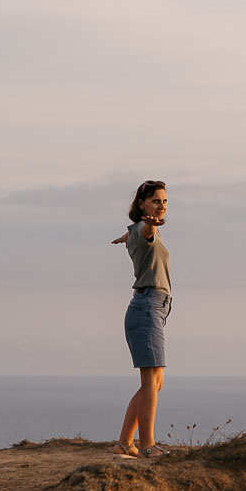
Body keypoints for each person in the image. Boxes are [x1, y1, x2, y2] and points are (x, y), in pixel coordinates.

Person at [111, 179, 171, 459]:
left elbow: (136, 233)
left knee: (156, 382)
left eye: (165, 201)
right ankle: (147, 445)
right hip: (147, 307)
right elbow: (145, 231)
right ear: (142, 204)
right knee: (150, 381)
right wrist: (148, 226)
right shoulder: (146, 229)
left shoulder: (136, 231)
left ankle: (125, 442)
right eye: (156, 201)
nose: (162, 206)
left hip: (154, 308)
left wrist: (127, 236)